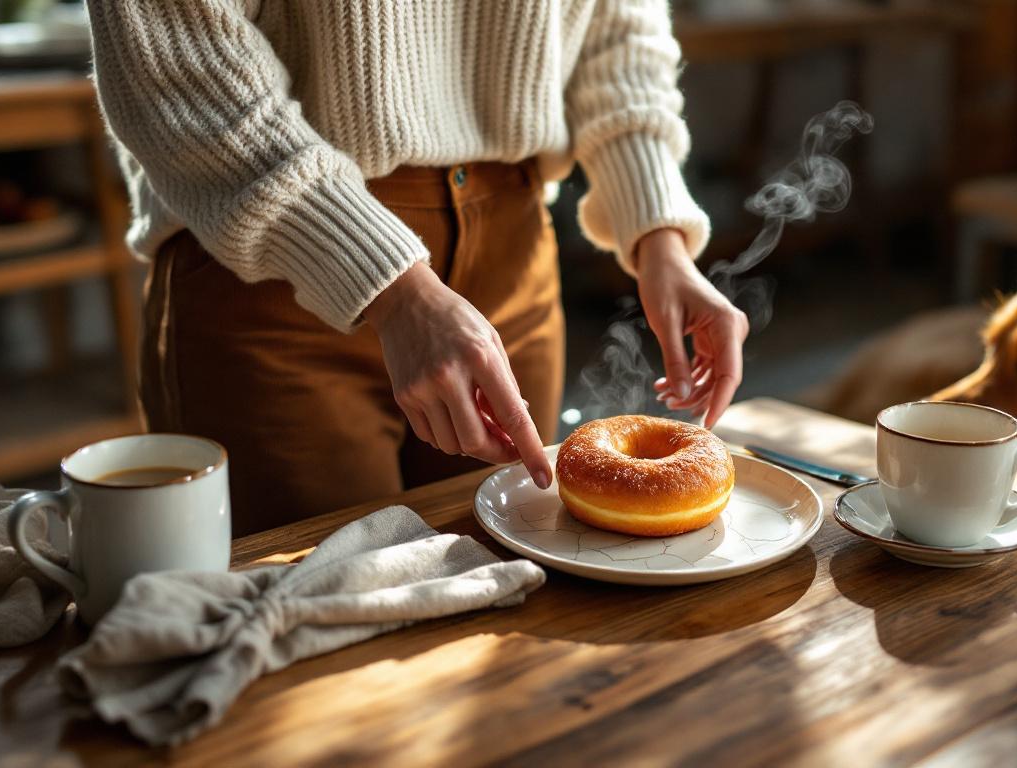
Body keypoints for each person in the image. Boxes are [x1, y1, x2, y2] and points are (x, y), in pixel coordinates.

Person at [87, 1, 749, 535]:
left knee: (508, 619)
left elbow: (619, 31)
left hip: (514, 252)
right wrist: (395, 289)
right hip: (275, 269)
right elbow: (181, 64)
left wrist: (658, 232)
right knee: (321, 636)